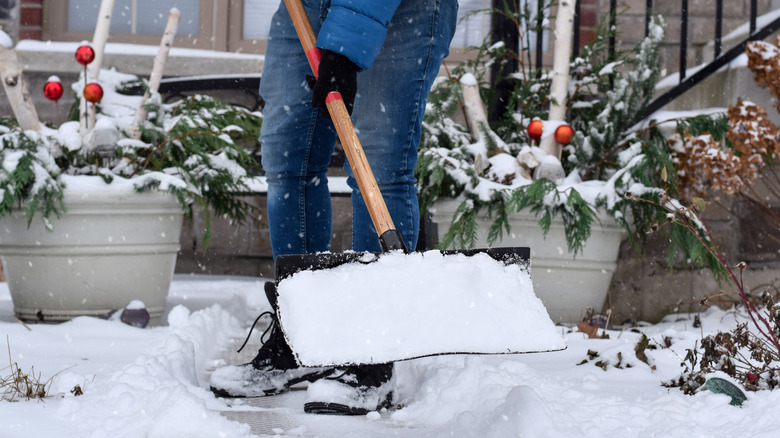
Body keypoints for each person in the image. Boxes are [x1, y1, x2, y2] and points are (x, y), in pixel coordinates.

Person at [210, 0, 458, 415]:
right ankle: (301, 332)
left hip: (401, 8)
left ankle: (372, 350)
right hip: (305, 6)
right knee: (289, 158)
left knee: (379, 163)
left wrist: (346, 44)